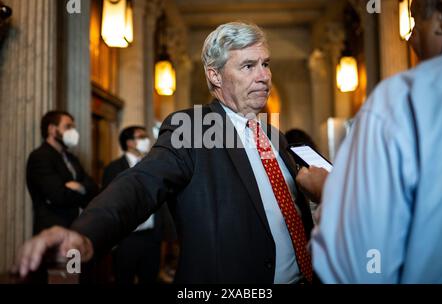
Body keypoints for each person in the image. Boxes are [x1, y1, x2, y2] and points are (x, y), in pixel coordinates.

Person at [14, 22, 315, 284]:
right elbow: (141, 183)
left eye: (266, 64)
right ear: (216, 76)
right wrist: (85, 234)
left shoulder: (274, 136)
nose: (264, 76)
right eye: (248, 66)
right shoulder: (195, 128)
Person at [297, 0, 442, 283]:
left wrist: (332, 194)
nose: (411, 39)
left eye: (416, 21)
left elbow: (356, 264)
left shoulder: (399, 100)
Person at [102, 126, 174, 284]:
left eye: (146, 136)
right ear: (129, 143)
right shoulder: (114, 169)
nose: (146, 140)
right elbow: (110, 203)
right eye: (141, 137)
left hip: (151, 238)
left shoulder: (152, 165)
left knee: (150, 279)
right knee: (124, 279)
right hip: (126, 239)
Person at [26, 110, 98, 235]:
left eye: (73, 127)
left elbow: (93, 188)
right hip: (53, 231)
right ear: (52, 129)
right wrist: (82, 190)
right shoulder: (40, 156)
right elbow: (58, 195)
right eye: (68, 127)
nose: (73, 132)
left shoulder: (71, 157)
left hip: (77, 229)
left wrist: (79, 187)